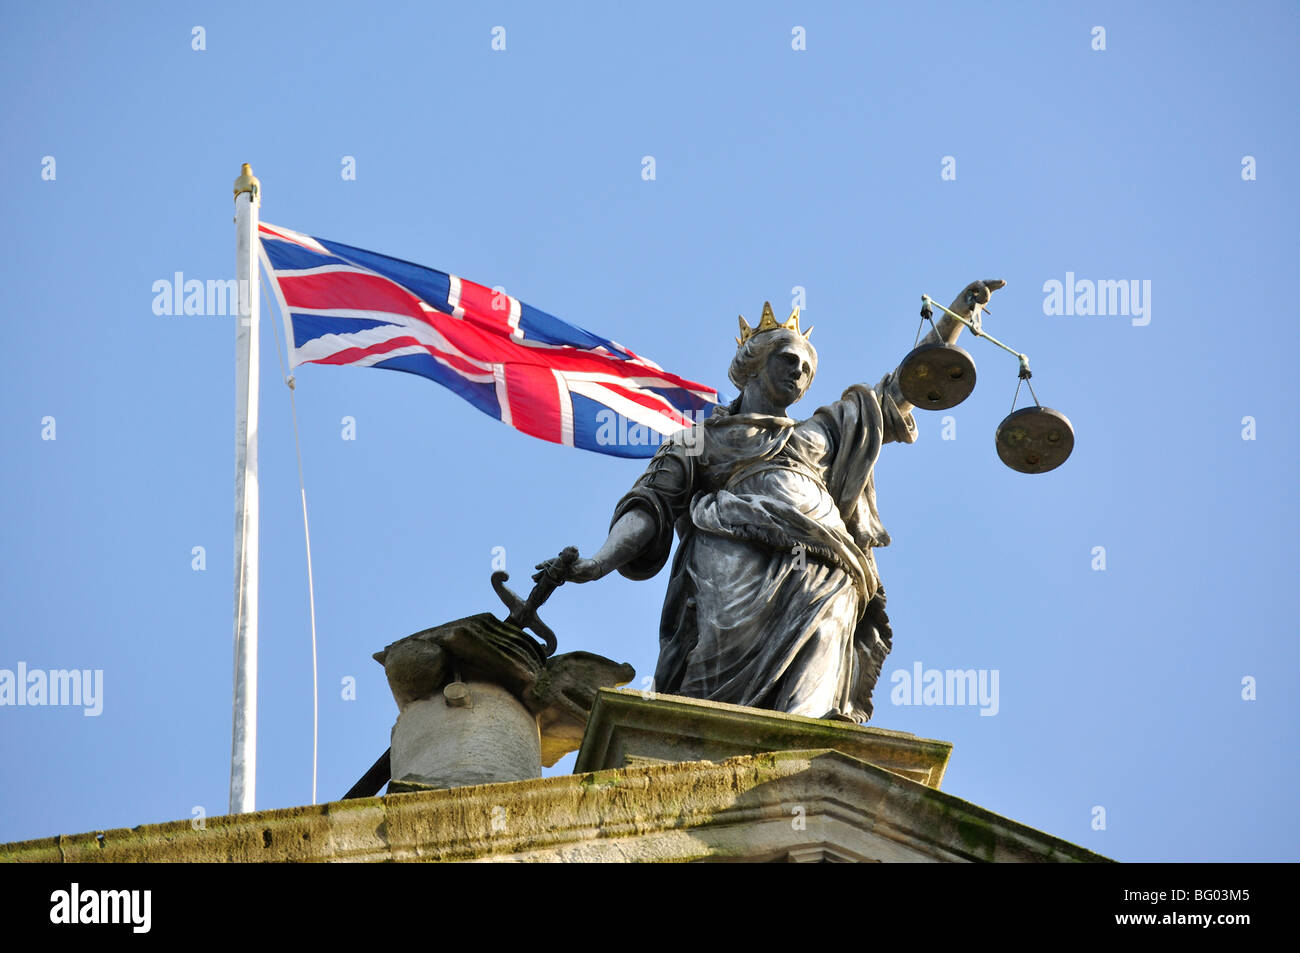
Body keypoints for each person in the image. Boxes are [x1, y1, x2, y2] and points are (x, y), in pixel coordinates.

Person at [535, 280, 1004, 723]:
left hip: (825, 556)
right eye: (789, 359)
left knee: (825, 630)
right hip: (730, 545)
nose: (800, 372)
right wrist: (598, 562)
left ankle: (806, 749)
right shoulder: (700, 439)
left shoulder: (823, 430)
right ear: (753, 363)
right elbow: (649, 505)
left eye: (807, 367)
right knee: (719, 648)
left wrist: (955, 317)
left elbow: (900, 390)